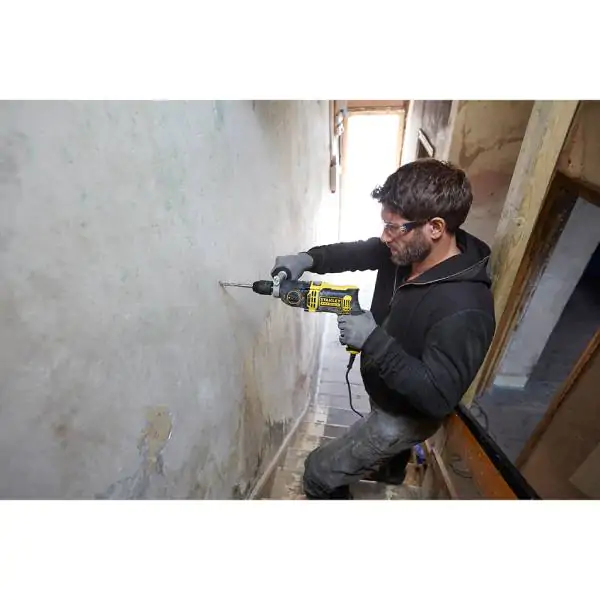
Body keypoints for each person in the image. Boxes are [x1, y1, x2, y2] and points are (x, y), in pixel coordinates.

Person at [271, 158, 496, 499]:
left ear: (435, 227)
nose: (384, 236)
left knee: (318, 473)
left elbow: (437, 397)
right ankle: (390, 473)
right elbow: (358, 252)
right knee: (387, 461)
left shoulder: (466, 308)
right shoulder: (407, 251)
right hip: (386, 389)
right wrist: (309, 259)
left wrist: (374, 341)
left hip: (404, 417)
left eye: (393, 227)